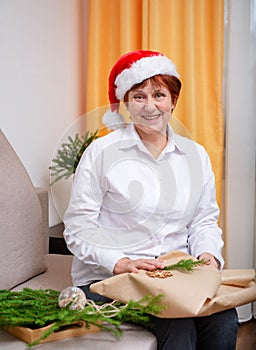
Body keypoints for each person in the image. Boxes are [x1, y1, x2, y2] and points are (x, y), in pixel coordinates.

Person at [63, 50, 238, 350]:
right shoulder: (102, 153)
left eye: (158, 95)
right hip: (111, 280)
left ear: (173, 100)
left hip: (174, 278)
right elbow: (78, 228)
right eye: (139, 96)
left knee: (224, 317)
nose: (149, 106)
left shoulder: (195, 156)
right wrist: (121, 263)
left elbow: (204, 220)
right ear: (127, 101)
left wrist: (208, 254)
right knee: (177, 324)